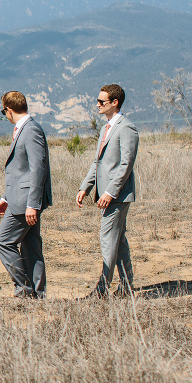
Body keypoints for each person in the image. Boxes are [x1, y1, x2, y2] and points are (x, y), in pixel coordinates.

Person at [77, 84, 138, 298]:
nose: (98, 105)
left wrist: (110, 192)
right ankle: (127, 287)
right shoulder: (105, 128)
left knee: (108, 239)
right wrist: (86, 187)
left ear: (115, 103)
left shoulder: (126, 127)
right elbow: (98, 162)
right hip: (105, 193)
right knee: (118, 239)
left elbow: (126, 165)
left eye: (102, 101)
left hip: (117, 196)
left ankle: (102, 289)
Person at [0, 91, 53, 299]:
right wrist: (5, 197)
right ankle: (38, 294)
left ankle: (24, 288)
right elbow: (22, 171)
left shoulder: (30, 130)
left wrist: (32, 204)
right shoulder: (26, 129)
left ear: (8, 110)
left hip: (26, 202)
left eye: (4, 111)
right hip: (20, 199)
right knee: (31, 247)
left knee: (3, 242)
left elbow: (38, 169)